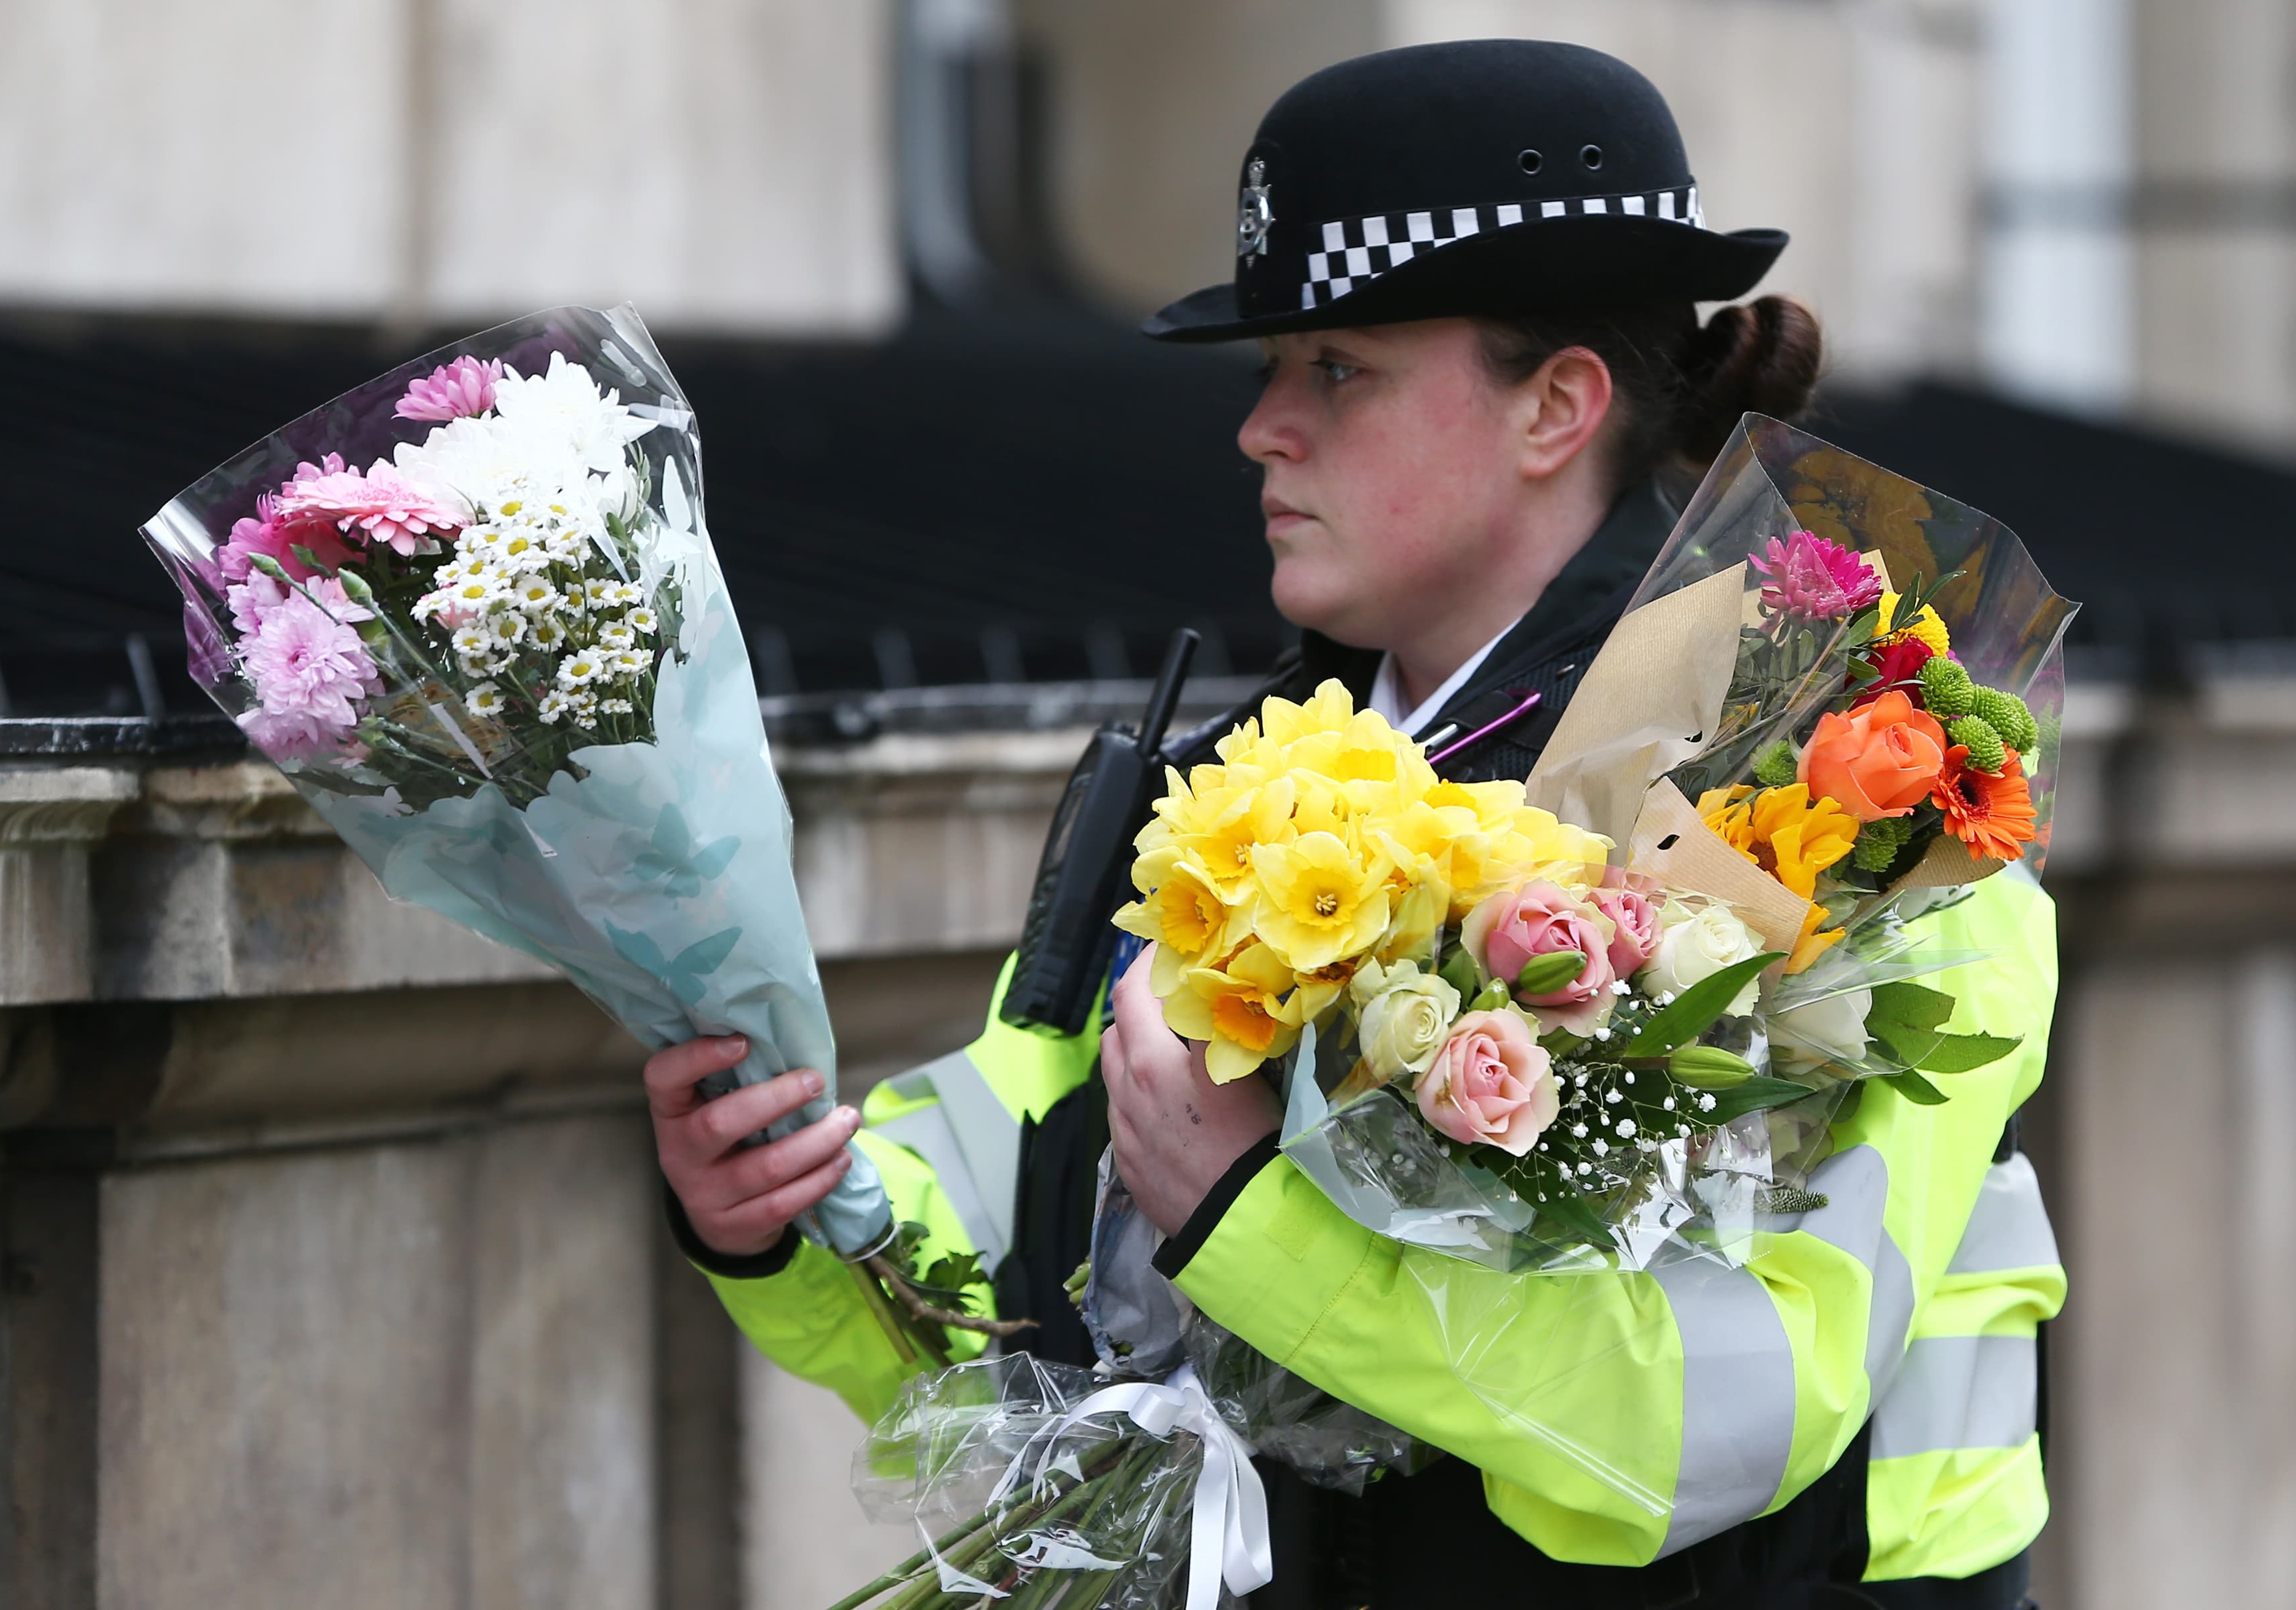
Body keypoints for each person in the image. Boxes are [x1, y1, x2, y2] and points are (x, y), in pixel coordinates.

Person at [645, 39, 2061, 1610]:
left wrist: (1257, 1229)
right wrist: (782, 1211)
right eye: (1269, 370)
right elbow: (997, 1253)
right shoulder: (1237, 801)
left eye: (1339, 369)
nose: (1263, 428)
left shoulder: (1853, 810)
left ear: (1556, 407)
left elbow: (1704, 1426)